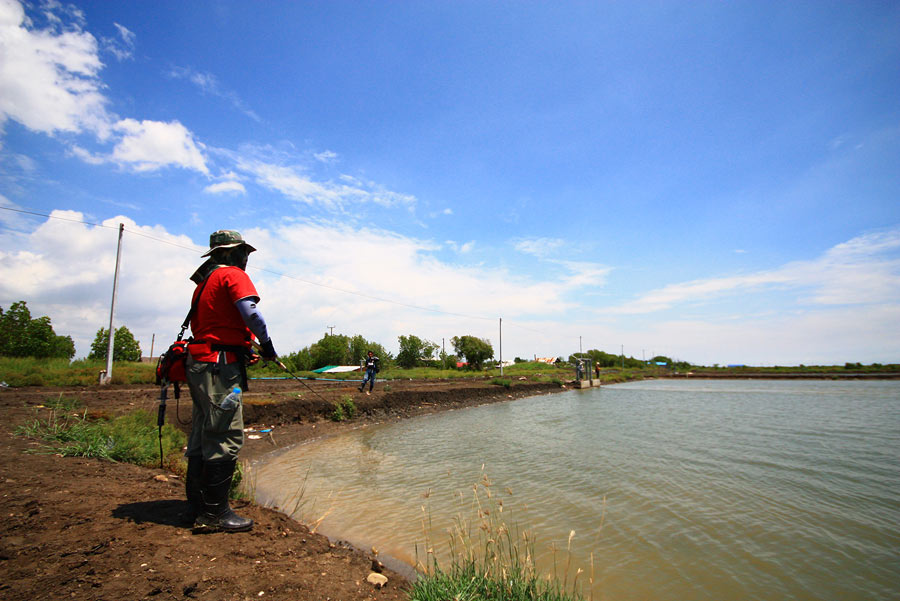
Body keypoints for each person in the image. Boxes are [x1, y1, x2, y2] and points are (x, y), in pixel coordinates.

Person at [184, 230, 278, 533]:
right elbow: (251, 312)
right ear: (228, 253)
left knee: (203, 432)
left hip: (201, 364)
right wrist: (266, 344)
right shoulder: (232, 275)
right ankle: (215, 514)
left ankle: (198, 506)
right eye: (243, 253)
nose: (246, 258)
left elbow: (216, 324)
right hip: (219, 369)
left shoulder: (205, 283)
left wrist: (241, 346)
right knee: (225, 433)